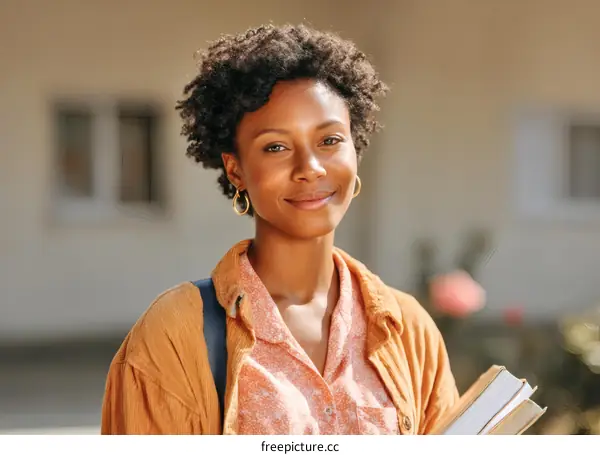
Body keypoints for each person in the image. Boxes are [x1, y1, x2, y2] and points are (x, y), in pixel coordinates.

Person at [100, 23, 484, 435]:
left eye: (330, 140)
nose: (310, 169)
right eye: (276, 147)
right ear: (236, 170)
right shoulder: (176, 333)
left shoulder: (408, 329)